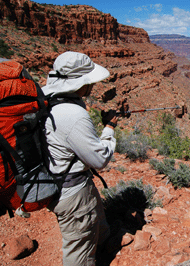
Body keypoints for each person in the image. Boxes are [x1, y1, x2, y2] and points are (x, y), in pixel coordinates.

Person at [42, 51, 118, 266]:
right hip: (71, 192)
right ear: (80, 82)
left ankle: (102, 243)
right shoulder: (72, 114)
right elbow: (100, 160)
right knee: (79, 251)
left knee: (97, 220)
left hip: (58, 178)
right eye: (90, 81)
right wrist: (110, 128)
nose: (93, 86)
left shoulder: (46, 98)